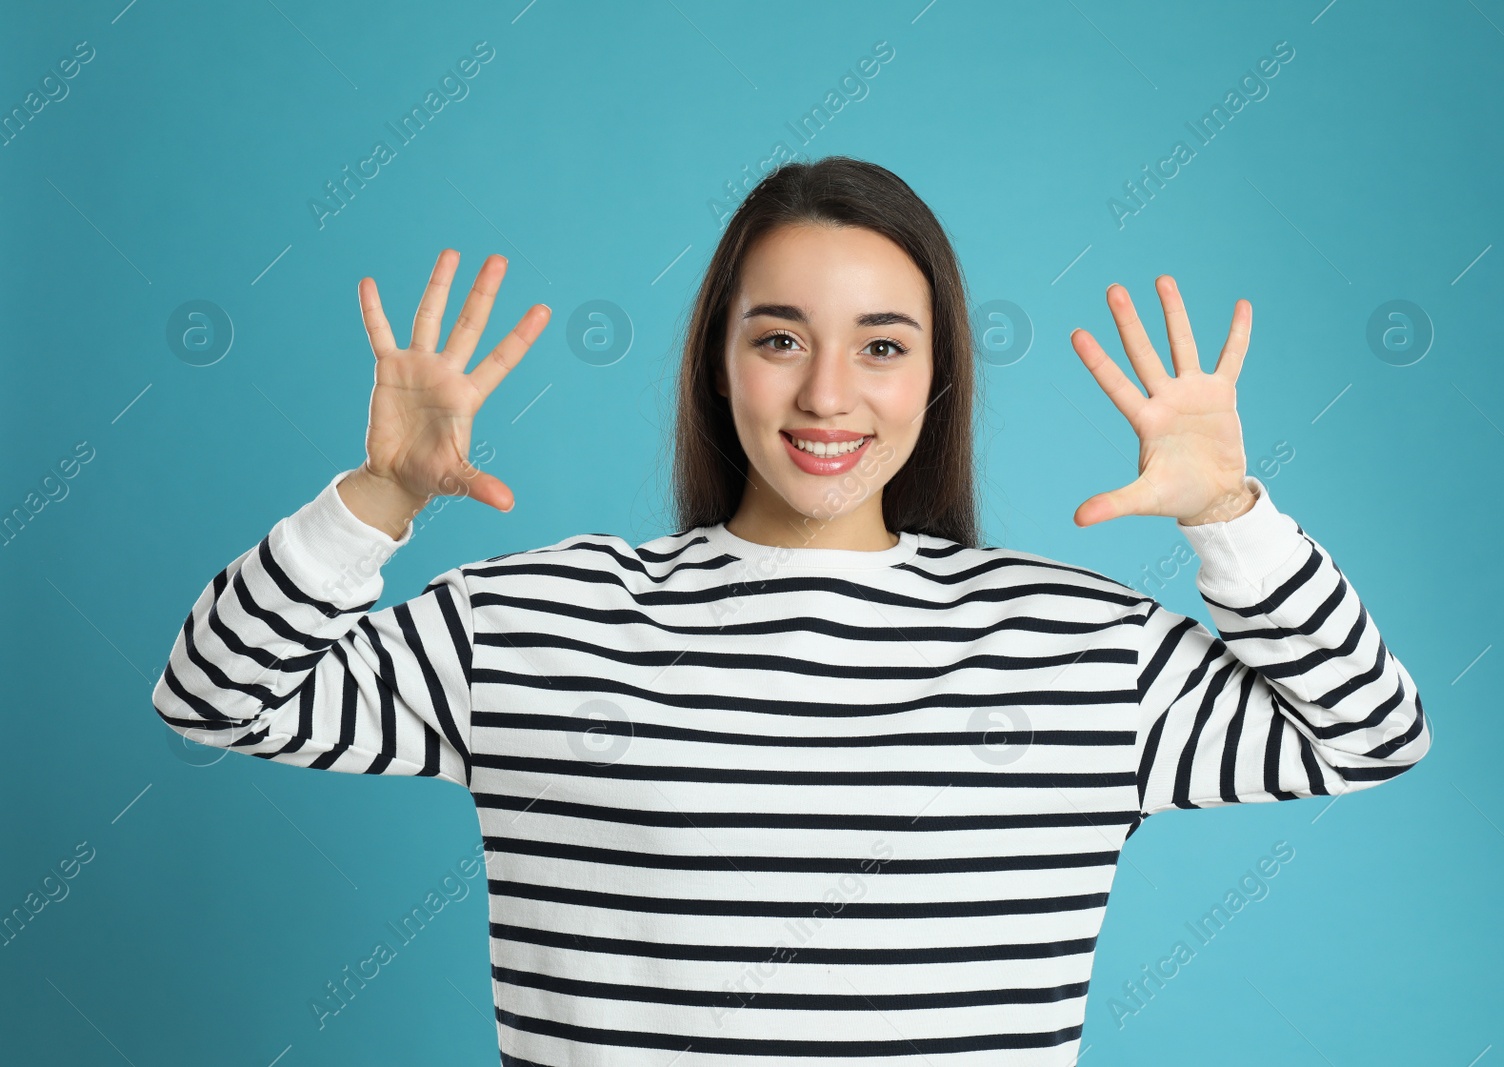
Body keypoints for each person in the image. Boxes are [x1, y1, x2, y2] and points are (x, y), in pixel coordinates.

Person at [152, 156, 1430, 1065]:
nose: (828, 393)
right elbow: (214, 696)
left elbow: (1366, 732)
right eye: (777, 337)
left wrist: (1230, 513)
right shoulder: (540, 620)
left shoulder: (1076, 644)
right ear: (718, 359)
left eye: (882, 344)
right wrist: (377, 496)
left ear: (937, 379)